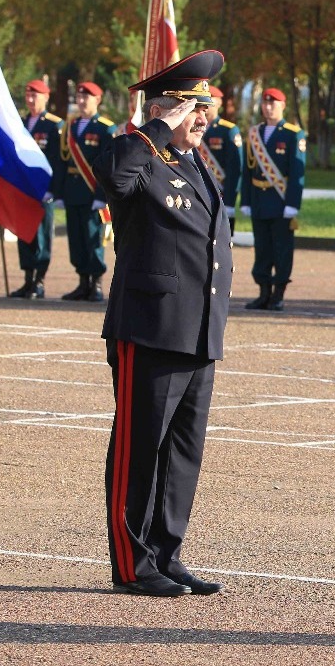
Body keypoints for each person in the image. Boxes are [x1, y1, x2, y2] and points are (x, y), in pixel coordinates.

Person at [92, 49, 232, 598]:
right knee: (139, 448)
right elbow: (113, 176)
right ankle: (132, 563)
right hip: (150, 327)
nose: (203, 117)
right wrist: (154, 127)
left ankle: (166, 553)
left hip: (197, 329)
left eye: (205, 108)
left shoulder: (193, 163)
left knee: (181, 453)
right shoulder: (140, 154)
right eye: (192, 108)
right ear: (162, 110)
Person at [242, 87, 305, 311]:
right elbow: (248, 170)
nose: (268, 108)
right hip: (259, 200)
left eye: (273, 104)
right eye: (265, 103)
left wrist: (292, 204)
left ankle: (278, 294)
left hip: (280, 201)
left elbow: (297, 173)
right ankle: (263, 293)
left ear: (283, 106)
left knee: (281, 250)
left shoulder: (293, 134)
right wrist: (246, 200)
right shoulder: (254, 133)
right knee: (262, 249)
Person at [55, 82, 117, 301]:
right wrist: (59, 193)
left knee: (93, 239)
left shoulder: (105, 128)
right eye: (79, 98)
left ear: (97, 100)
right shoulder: (70, 127)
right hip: (73, 192)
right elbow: (62, 162)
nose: (81, 102)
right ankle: (82, 282)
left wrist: (102, 196)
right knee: (76, 239)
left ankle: (96, 284)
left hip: (93, 193)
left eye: (86, 98)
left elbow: (108, 166)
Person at [10, 79, 64, 299]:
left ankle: (39, 281)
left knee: (42, 235)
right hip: (24, 189)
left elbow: (58, 161)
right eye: (28, 95)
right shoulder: (19, 123)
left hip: (43, 190)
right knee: (25, 233)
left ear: (46, 97)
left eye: (35, 95)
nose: (31, 100)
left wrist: (53, 189)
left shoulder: (54, 125)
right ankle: (27, 279)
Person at [199, 85, 244, 233]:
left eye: (210, 99)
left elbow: (235, 169)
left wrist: (230, 202)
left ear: (219, 103)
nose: (206, 103)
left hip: (220, 193)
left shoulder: (228, 130)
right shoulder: (192, 127)